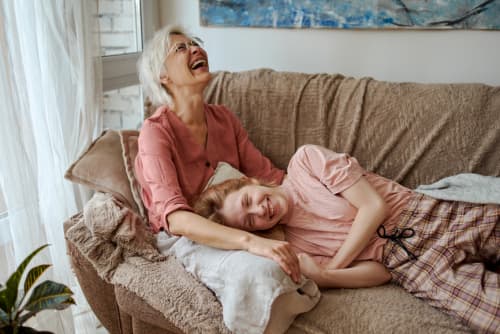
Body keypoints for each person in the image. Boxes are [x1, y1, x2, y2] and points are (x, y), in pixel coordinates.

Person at [193, 144, 500, 333]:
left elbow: (373, 207)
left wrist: (332, 267)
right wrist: (326, 278)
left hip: (428, 214)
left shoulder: (306, 162)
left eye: (249, 200)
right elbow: (382, 272)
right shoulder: (296, 246)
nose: (261, 209)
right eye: (250, 220)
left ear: (249, 182)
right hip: (412, 263)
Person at [134, 24, 300, 283]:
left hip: (238, 226)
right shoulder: (155, 133)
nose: (196, 49)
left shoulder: (224, 119)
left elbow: (270, 176)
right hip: (187, 239)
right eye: (181, 48)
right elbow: (176, 219)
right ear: (163, 76)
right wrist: (251, 243)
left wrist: (322, 186)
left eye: (195, 43)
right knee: (266, 273)